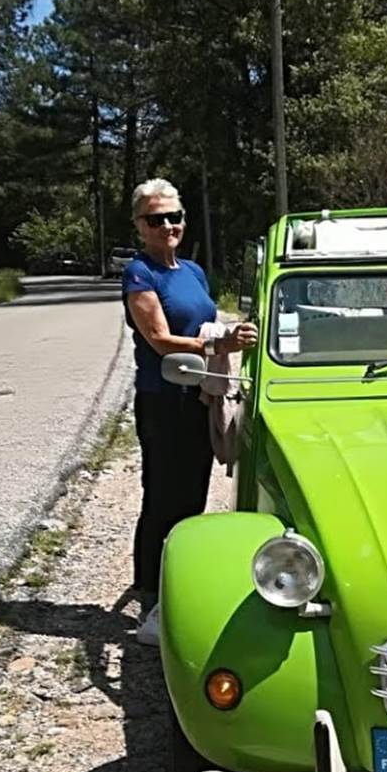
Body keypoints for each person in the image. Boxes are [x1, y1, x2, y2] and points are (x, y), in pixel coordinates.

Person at [122, 178, 257, 645]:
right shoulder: (140, 274)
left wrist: (229, 331)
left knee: (193, 496)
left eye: (174, 216)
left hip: (199, 394)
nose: (167, 226)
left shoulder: (193, 271)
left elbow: (209, 318)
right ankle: (152, 597)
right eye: (156, 219)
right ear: (140, 225)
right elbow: (159, 339)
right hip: (164, 400)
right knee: (164, 498)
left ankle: (177, 586)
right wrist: (217, 341)